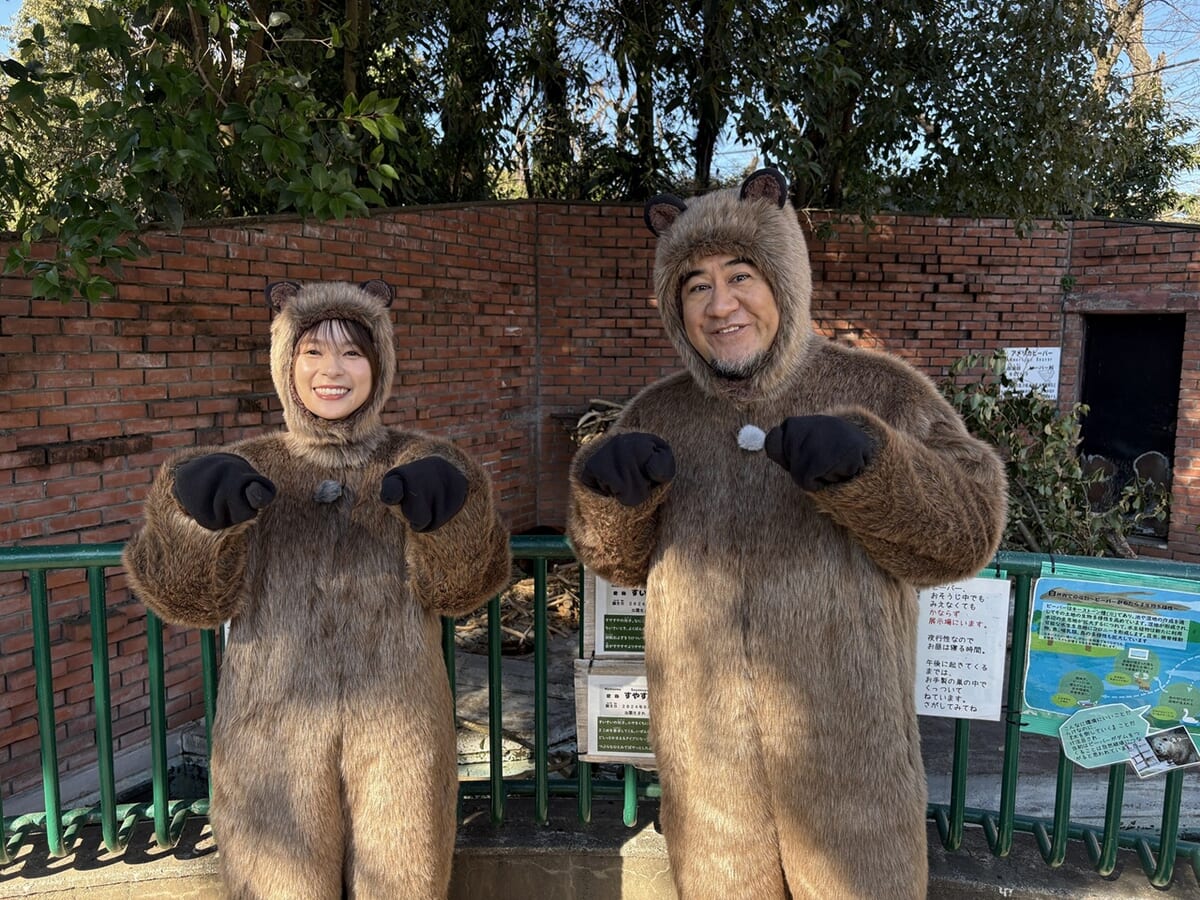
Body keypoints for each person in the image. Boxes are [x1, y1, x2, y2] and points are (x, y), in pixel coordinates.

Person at [567, 169, 1007, 899]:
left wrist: (878, 469)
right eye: (696, 286)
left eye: (740, 275)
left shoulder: (883, 390)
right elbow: (615, 561)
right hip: (707, 769)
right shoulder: (656, 411)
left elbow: (968, 533)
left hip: (852, 762)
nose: (721, 304)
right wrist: (610, 500)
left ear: (785, 279)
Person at [123, 279, 510, 899]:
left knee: (404, 882)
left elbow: (464, 590)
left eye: (353, 352)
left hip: (401, 727)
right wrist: (196, 525)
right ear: (286, 364)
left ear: (379, 366)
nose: (333, 370)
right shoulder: (244, 464)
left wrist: (452, 525)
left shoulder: (426, 460)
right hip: (270, 733)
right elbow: (188, 601)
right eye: (313, 352)